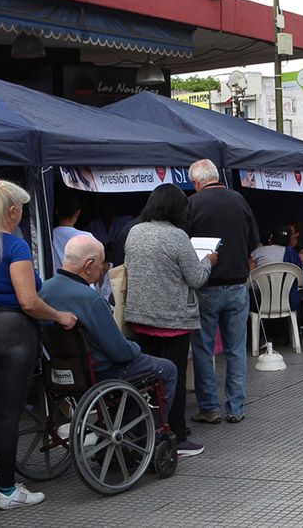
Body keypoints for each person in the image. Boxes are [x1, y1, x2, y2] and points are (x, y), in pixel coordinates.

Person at [0, 178, 77, 511]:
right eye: (21, 209)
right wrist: (59, 316)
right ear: (11, 211)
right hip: (11, 331)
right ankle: (8, 490)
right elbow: (28, 300)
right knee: (8, 415)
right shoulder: (15, 246)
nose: (22, 215)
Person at [41, 236, 179, 438]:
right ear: (89, 265)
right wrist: (135, 347)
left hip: (62, 370)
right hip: (99, 371)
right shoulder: (90, 298)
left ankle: (128, 431)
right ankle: (154, 436)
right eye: (101, 266)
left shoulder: (44, 291)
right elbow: (120, 352)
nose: (101, 273)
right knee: (167, 369)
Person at [123, 184, 216, 458]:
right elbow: (197, 278)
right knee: (172, 375)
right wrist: (209, 261)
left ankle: (147, 430)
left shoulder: (135, 232)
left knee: (147, 379)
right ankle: (176, 432)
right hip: (173, 320)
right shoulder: (178, 237)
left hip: (140, 317)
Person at [186, 159, 258, 425]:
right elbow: (253, 240)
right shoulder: (239, 200)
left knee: (204, 350)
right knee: (236, 349)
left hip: (206, 287)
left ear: (197, 182)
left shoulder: (192, 205)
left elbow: (184, 249)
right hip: (238, 284)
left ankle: (209, 408)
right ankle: (236, 407)